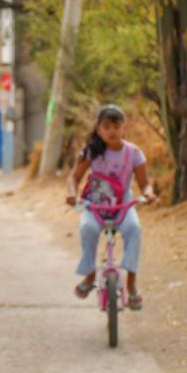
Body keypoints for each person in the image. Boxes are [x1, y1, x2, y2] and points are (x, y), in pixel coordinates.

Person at [65, 104, 155, 310]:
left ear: (125, 127)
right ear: (98, 129)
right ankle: (90, 275)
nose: (111, 131)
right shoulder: (91, 152)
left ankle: (131, 285)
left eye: (116, 126)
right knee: (87, 228)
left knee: (134, 229)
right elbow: (73, 178)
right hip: (94, 204)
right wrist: (71, 193)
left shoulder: (134, 153)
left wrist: (148, 193)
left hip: (123, 204)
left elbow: (144, 183)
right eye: (106, 127)